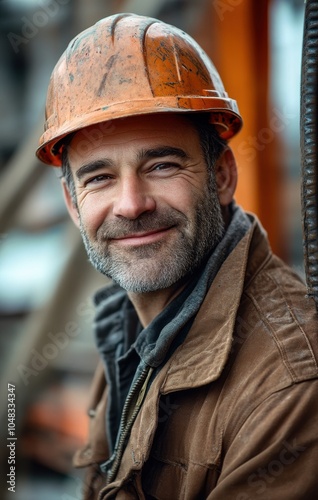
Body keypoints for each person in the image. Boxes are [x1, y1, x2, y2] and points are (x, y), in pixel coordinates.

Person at [36, 13, 318, 500]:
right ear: (72, 204)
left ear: (223, 176)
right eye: (99, 177)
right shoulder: (132, 327)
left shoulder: (289, 384)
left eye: (162, 164)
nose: (131, 204)